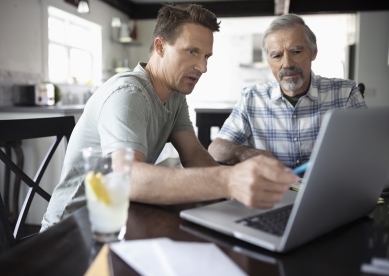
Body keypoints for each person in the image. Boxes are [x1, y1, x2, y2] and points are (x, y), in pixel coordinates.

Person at [41, 4, 299, 231]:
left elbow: (194, 155)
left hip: (121, 217)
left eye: (206, 56)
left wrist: (241, 189)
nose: (203, 67)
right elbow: (126, 179)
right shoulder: (127, 94)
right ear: (160, 46)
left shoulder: (174, 95)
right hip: (74, 228)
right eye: (192, 52)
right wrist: (229, 181)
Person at [208, 13, 367, 169]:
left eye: (296, 52)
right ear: (269, 61)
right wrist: (242, 152)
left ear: (313, 53)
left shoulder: (345, 93)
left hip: (330, 191)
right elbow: (216, 149)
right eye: (277, 55)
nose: (287, 63)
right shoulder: (251, 98)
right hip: (271, 193)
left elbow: (372, 147)